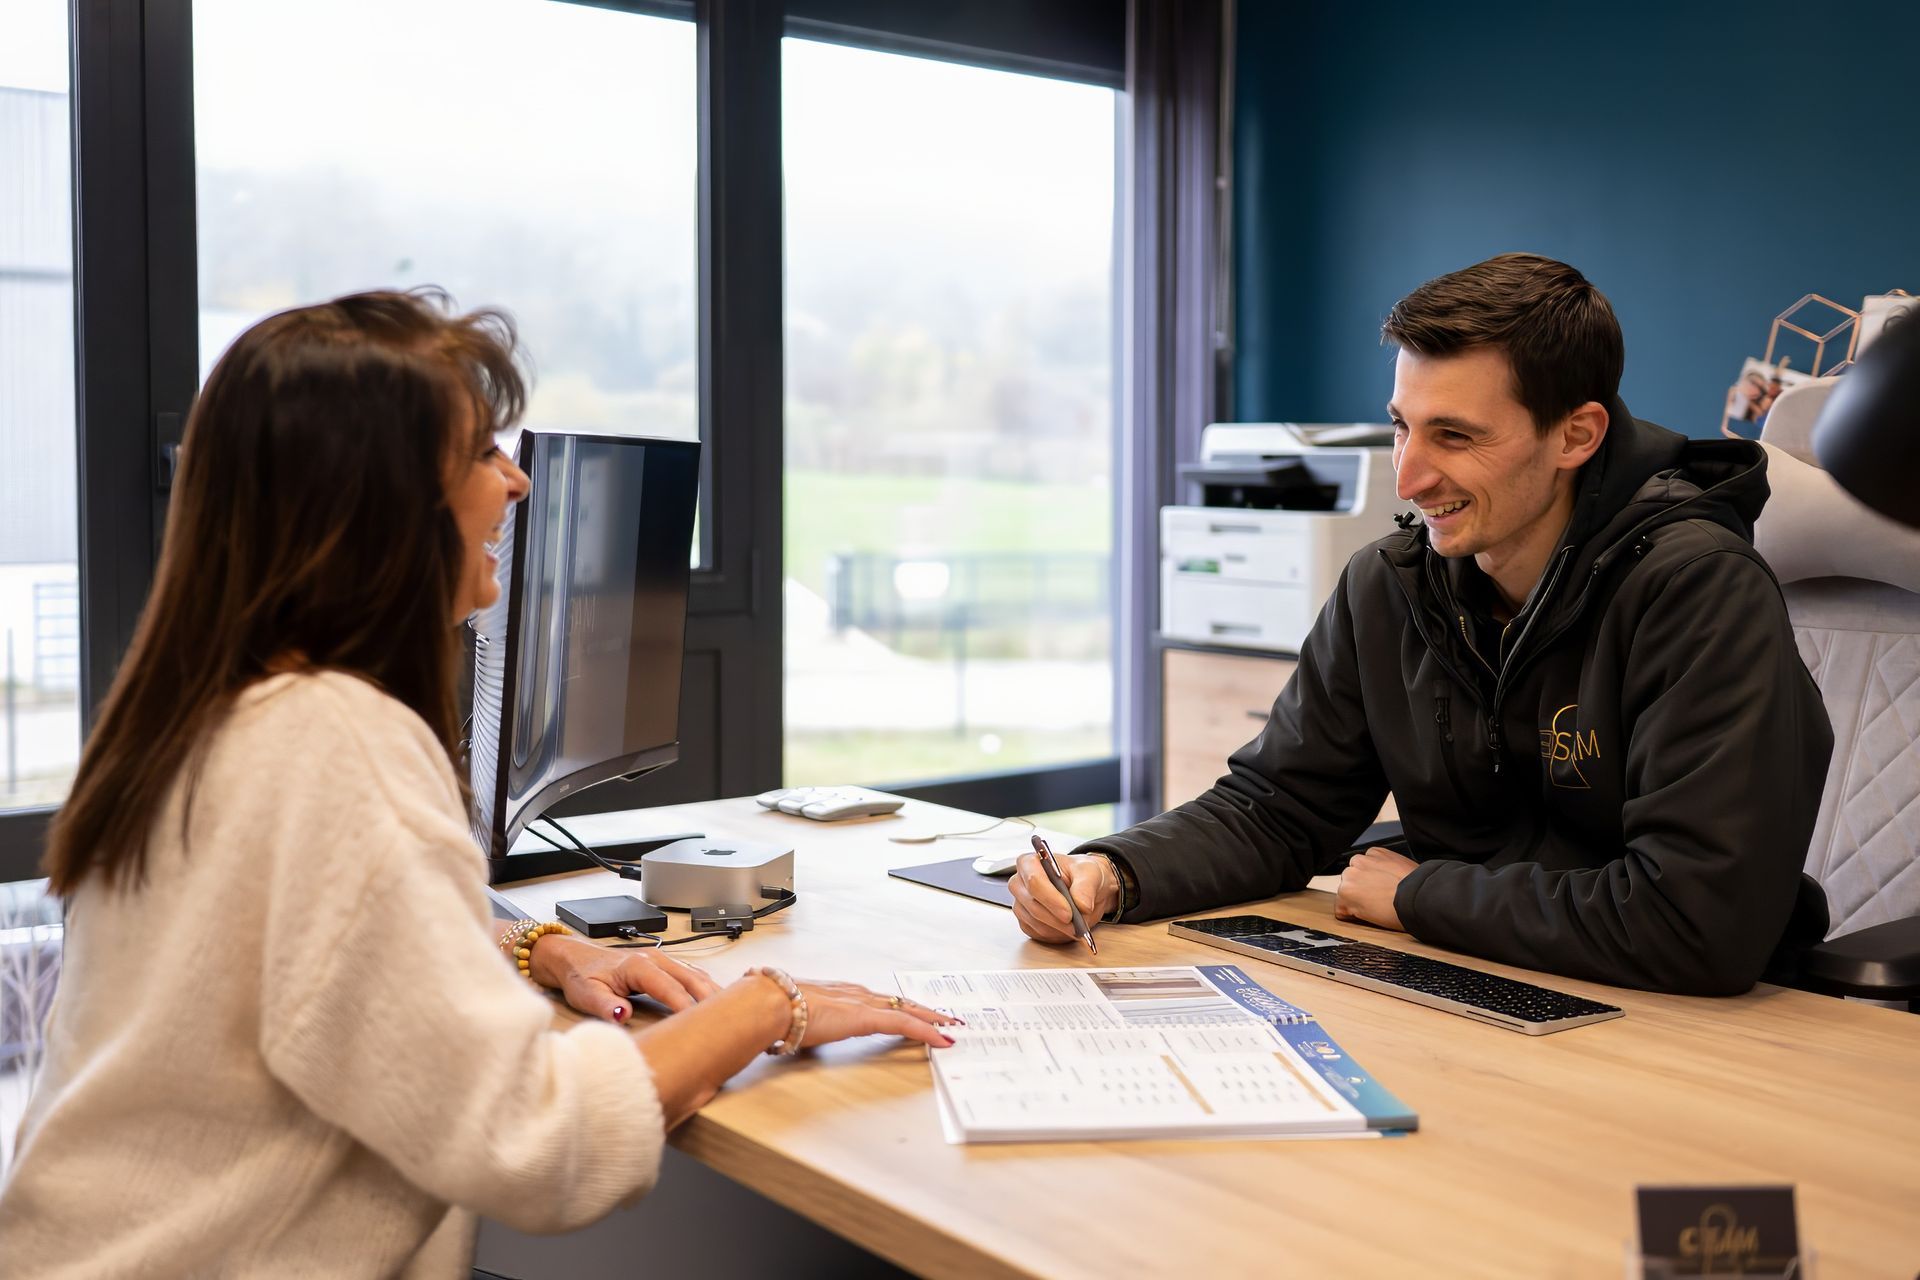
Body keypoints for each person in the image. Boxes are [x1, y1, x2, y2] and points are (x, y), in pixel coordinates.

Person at [0, 290, 955, 1277]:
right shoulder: (330, 741)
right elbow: (535, 1139)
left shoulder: (219, 706)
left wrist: (537, 944)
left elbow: (311, 946)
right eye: (483, 455)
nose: (517, 485)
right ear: (380, 505)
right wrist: (766, 1004)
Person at [1013, 253, 1833, 996]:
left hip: (1684, 1028)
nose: (1407, 475)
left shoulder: (1698, 592)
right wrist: (1111, 871)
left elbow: (1698, 925)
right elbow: (1278, 809)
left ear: (1576, 435)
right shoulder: (1391, 585)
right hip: (1465, 978)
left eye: (1455, 436)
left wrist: (1416, 893)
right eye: (1403, 425)